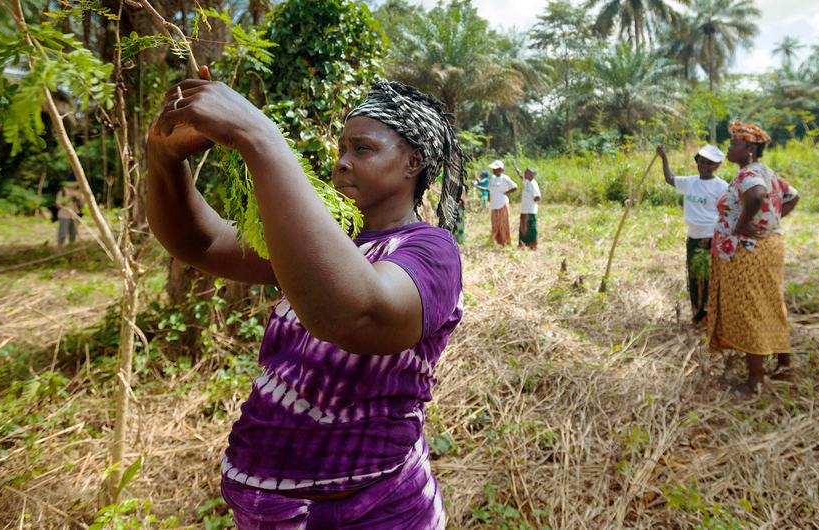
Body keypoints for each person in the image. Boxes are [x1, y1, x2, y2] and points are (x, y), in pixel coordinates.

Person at [147, 68, 463, 529]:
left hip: (370, 509)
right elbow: (202, 242)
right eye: (341, 149)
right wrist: (163, 158)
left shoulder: (431, 250)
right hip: (268, 507)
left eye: (363, 149)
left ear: (413, 163)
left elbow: (358, 315)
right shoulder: (327, 239)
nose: (342, 161)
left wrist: (259, 137)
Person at [706, 120, 801, 398]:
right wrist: (768, 222)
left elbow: (757, 195)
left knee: (750, 309)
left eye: (734, 143)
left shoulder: (748, 174)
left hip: (747, 252)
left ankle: (756, 381)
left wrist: (742, 226)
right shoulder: (767, 172)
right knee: (770, 303)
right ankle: (784, 365)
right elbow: (792, 197)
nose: (729, 148)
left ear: (749, 148)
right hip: (768, 246)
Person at [657, 144, 729, 325]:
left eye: (709, 163)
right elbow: (670, 178)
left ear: (716, 166)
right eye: (701, 162)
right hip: (693, 237)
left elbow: (728, 211)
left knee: (709, 275)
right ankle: (697, 312)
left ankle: (710, 315)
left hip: (711, 237)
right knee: (695, 275)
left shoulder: (721, 187)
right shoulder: (690, 182)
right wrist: (664, 158)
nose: (704, 166)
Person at [484, 160, 518, 246]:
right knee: (495, 224)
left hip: (502, 204)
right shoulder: (492, 178)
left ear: (501, 169)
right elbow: (489, 189)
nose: (494, 171)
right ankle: (496, 240)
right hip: (494, 204)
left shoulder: (505, 178)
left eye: (496, 169)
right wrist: (489, 199)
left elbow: (515, 187)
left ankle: (505, 242)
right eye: (493, 169)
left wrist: (506, 192)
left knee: (503, 223)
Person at [518, 168, 541, 249]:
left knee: (531, 228)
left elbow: (537, 197)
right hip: (524, 209)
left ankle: (532, 245)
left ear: (531, 175)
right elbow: (522, 177)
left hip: (530, 210)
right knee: (523, 227)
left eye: (526, 173)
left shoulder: (533, 184)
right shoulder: (527, 182)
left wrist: (532, 202)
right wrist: (518, 171)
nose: (524, 173)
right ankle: (523, 244)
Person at [55, 175, 83, 246]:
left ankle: (71, 248)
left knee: (73, 234)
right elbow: (57, 204)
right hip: (64, 215)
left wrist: (79, 198)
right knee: (62, 234)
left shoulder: (78, 192)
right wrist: (67, 200)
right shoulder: (62, 192)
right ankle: (60, 248)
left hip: (75, 214)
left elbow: (82, 204)